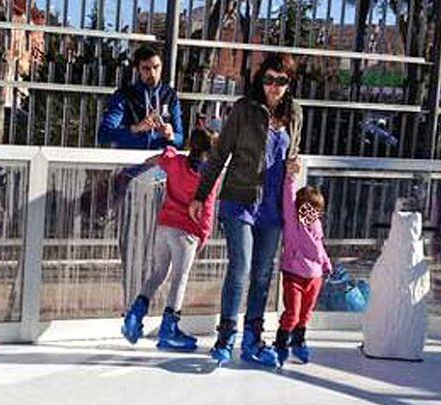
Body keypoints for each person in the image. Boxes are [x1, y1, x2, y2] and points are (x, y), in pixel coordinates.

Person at [189, 53, 303, 367]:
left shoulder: (295, 114)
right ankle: (226, 337)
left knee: (264, 274)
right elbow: (219, 153)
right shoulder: (244, 109)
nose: (274, 87)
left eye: (281, 81)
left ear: (288, 83)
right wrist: (201, 195)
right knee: (240, 268)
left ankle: (254, 338)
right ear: (259, 80)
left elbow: (292, 154)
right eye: (269, 79)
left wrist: (294, 164)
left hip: (273, 206)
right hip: (240, 199)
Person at [121, 128, 220, 350]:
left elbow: (154, 159)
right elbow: (208, 209)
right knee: (179, 279)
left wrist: (167, 156)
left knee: (158, 273)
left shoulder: (175, 162)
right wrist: (203, 235)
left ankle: (134, 316)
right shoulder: (209, 177)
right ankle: (169, 329)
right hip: (186, 233)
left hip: (164, 226)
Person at [273, 158, 331, 366]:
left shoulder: (316, 225)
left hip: (314, 277)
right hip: (294, 275)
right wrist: (290, 177)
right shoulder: (293, 222)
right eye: (309, 209)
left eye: (316, 210)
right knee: (292, 314)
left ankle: (299, 341)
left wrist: (326, 263)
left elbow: (319, 246)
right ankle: (280, 343)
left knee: (305, 315)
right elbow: (288, 199)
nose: (312, 214)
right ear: (300, 209)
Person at [97, 45, 184, 150]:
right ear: (138, 69)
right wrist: (136, 128)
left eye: (156, 67)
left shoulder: (170, 95)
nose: (152, 73)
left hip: (160, 160)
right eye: (146, 68)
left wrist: (171, 136)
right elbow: (104, 134)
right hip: (130, 159)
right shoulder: (124, 95)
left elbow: (180, 138)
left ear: (162, 66)